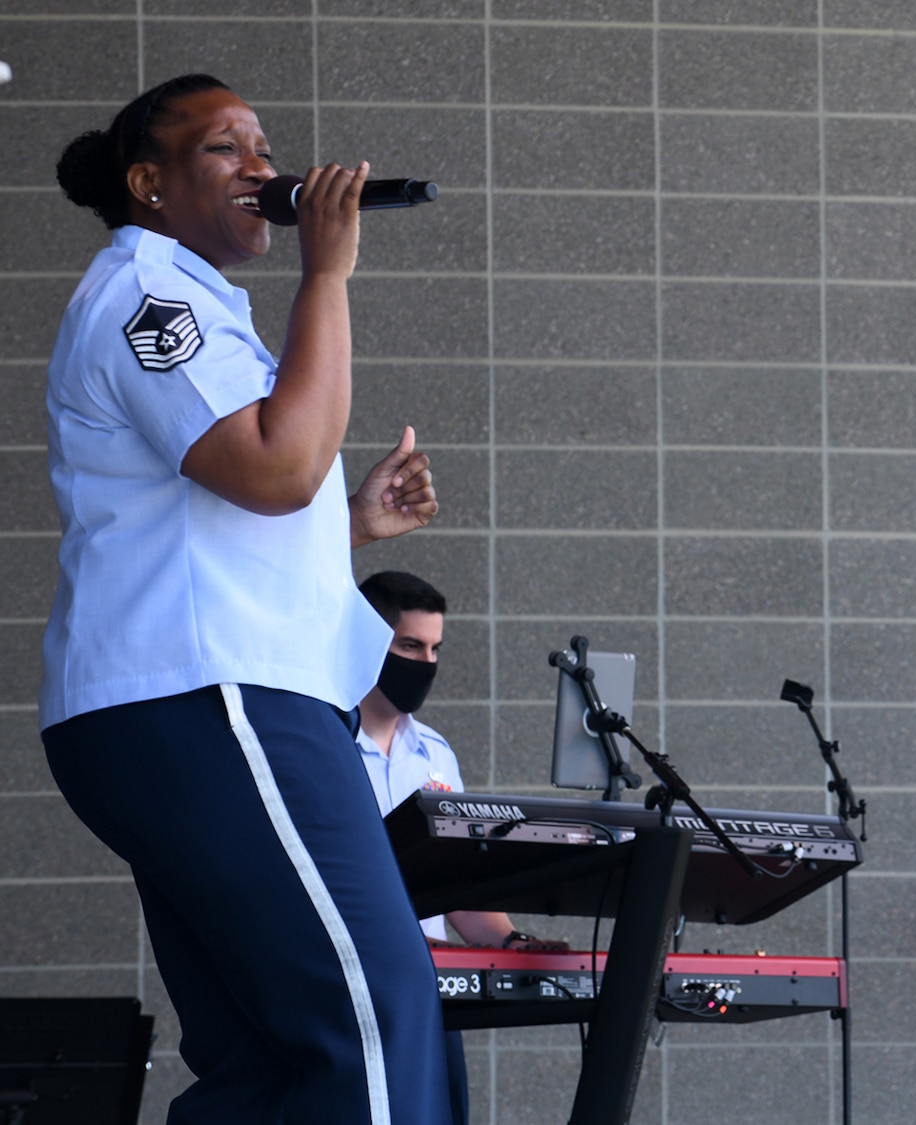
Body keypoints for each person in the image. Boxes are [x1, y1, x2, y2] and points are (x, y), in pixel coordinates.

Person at [41, 74, 448, 1124]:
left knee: (265, 1055)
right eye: (226, 149)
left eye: (265, 147)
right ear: (149, 183)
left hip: (191, 703)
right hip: (210, 697)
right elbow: (274, 469)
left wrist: (346, 526)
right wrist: (330, 274)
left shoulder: (189, 304)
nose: (263, 169)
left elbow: (228, 505)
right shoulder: (147, 295)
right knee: (373, 1007)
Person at [353, 570, 566, 1125]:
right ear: (366, 640)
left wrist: (513, 942)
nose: (425, 662)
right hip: (351, 985)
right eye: (409, 646)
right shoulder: (322, 742)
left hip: (432, 991)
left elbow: (459, 892)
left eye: (434, 648)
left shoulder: (436, 756)